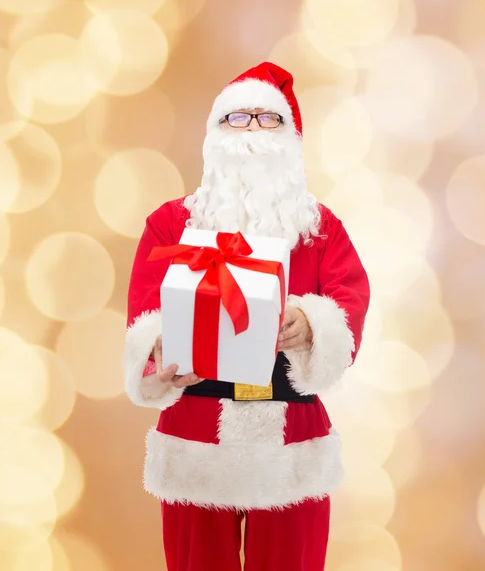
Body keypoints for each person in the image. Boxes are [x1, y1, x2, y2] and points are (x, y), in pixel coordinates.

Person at [123, 62, 370, 571]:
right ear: (215, 135)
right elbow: (143, 313)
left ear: (291, 137)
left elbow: (350, 300)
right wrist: (160, 352)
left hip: (291, 433)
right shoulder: (170, 223)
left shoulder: (320, 229)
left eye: (267, 118)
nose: (253, 130)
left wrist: (312, 321)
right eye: (238, 118)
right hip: (195, 430)